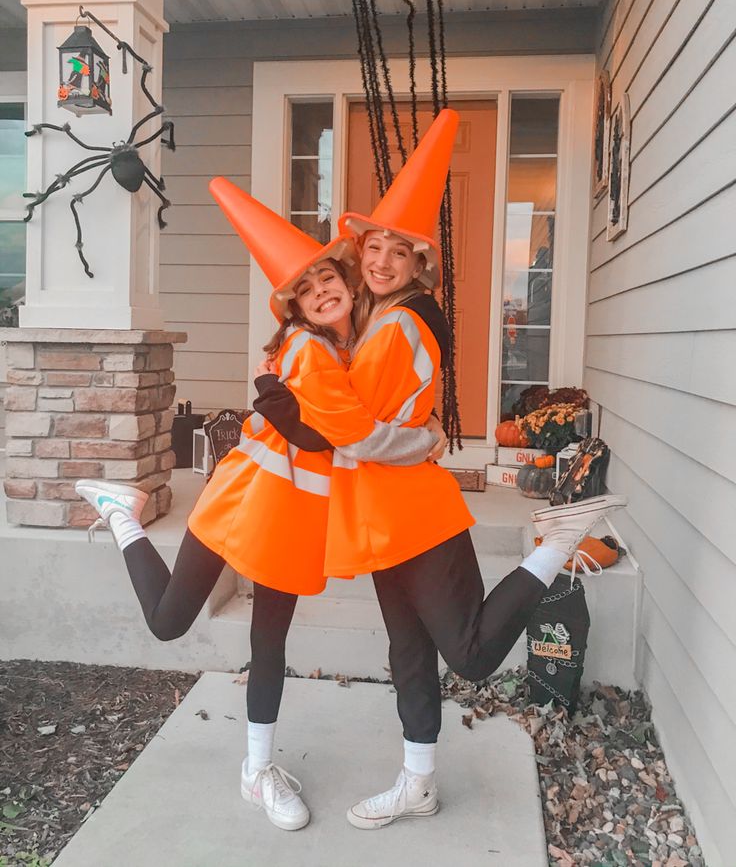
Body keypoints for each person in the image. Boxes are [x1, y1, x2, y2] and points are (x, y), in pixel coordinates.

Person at [253, 108, 627, 829]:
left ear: (421, 262)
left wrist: (300, 405)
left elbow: (353, 429)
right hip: (383, 520)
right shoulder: (377, 317)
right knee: (408, 651)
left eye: (402, 249)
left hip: (414, 515)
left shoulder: (398, 324)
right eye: (376, 245)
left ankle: (557, 540)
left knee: (471, 653)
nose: (383, 258)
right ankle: (418, 781)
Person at [74, 185, 443, 833]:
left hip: (293, 521)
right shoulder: (306, 349)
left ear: (348, 282)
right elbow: (326, 435)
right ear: (295, 307)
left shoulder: (349, 349)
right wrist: (423, 437)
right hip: (243, 502)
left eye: (329, 276)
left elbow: (362, 408)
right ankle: (121, 514)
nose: (323, 290)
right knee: (168, 622)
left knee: (268, 641)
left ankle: (257, 770)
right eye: (306, 288)